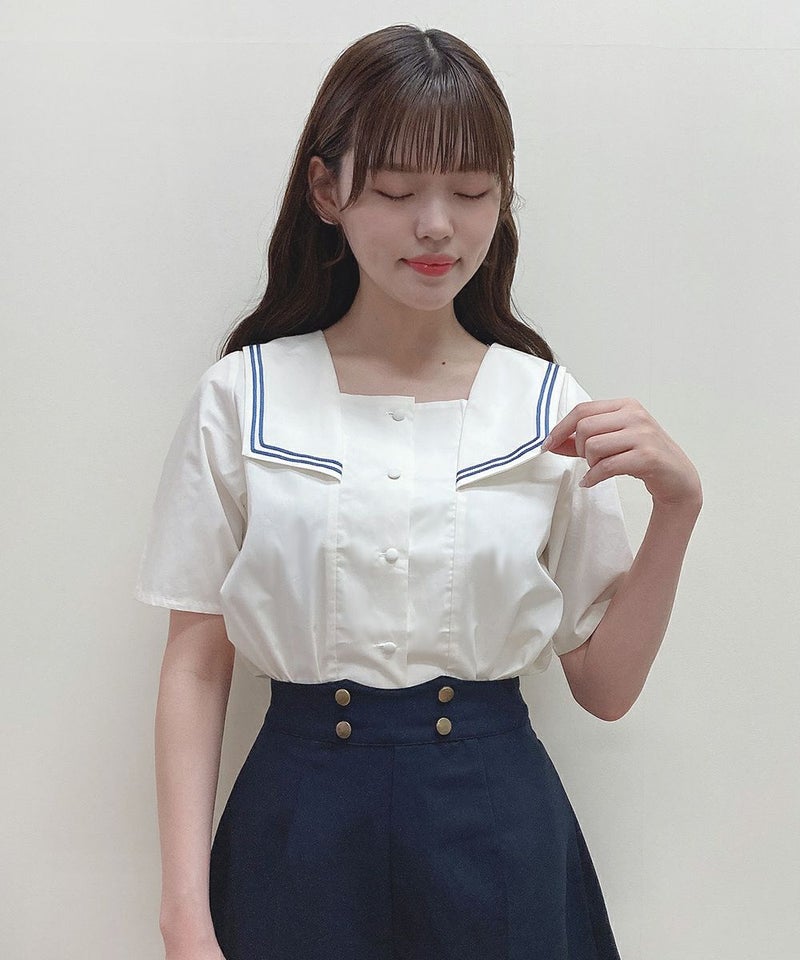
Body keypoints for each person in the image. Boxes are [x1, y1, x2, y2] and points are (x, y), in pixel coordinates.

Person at [134, 23, 703, 960]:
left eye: (472, 192)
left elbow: (604, 687)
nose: (437, 225)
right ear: (328, 191)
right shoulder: (244, 396)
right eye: (398, 191)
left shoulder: (543, 403)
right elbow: (196, 666)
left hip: (498, 836)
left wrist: (677, 512)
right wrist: (184, 915)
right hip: (298, 835)